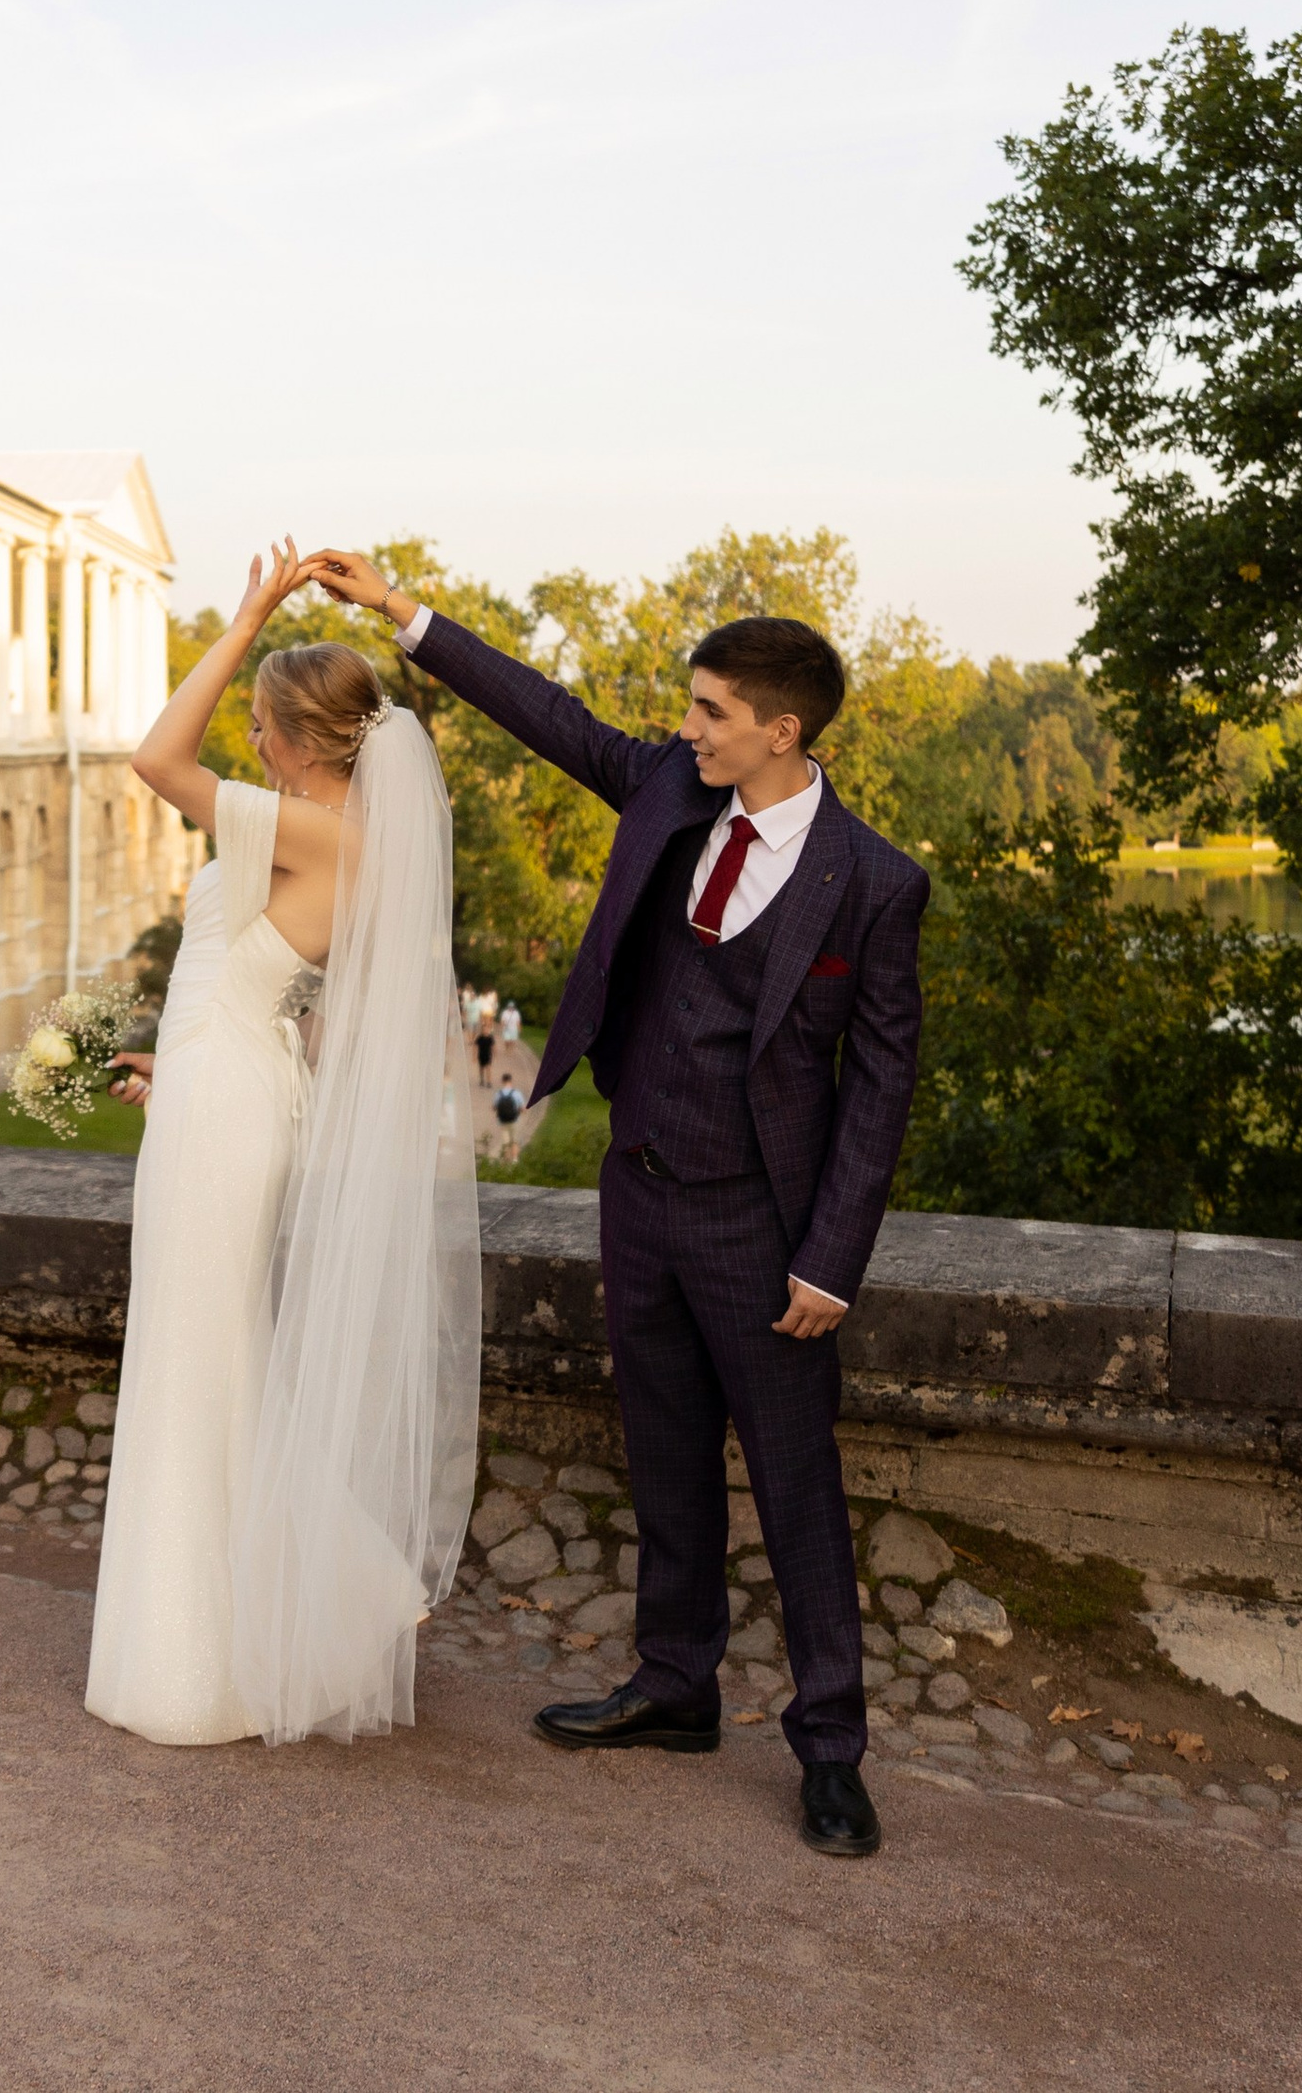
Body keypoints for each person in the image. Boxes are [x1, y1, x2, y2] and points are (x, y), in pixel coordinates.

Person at [307, 549, 926, 1862]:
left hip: (763, 1228)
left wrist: (831, 1259)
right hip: (637, 1190)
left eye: (710, 711)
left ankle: (830, 1748)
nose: (686, 727)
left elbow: (880, 1087)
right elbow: (547, 714)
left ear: (781, 731)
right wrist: (401, 611)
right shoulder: (667, 789)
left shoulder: (873, 882)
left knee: (798, 1487)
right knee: (664, 1454)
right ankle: (675, 1684)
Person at [88, 540, 481, 1749]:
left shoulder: (322, 831)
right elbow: (267, 990)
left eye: (260, 723)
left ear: (302, 740)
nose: (247, 740)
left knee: (196, 1358)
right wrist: (186, 1064)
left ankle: (219, 1650)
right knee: (214, 1349)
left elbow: (155, 758)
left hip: (226, 1105)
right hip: (220, 1089)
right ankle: (307, 1598)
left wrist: (248, 613)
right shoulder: (341, 835)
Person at [493, 1074, 525, 1162]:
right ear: (511, 1081)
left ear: (502, 1081)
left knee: (506, 1143)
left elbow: (494, 1107)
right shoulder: (517, 1093)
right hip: (514, 1120)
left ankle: (507, 1160)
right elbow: (522, 1108)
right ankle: (514, 1160)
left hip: (502, 1121)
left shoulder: (498, 1094)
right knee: (514, 1141)